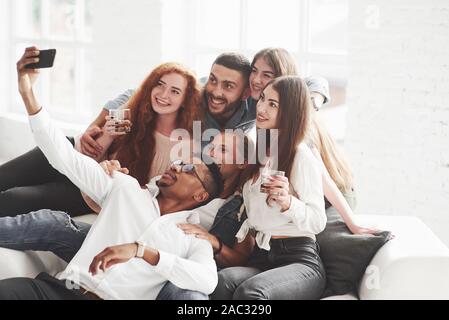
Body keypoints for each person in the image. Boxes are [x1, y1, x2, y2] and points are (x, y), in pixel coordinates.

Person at [0, 47, 226, 300]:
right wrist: (28, 93)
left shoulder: (192, 237)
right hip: (58, 291)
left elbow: (207, 280)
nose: (176, 165)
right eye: (160, 86)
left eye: (188, 168)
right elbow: (62, 155)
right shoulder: (126, 188)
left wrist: (141, 251)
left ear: (200, 195)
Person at [0, 61, 201, 217]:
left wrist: (113, 173)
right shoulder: (136, 110)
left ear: (186, 100)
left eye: (175, 91)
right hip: (74, 154)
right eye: (160, 85)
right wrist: (108, 134)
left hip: (89, 189)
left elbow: (151, 193)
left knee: (12, 199)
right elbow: (93, 150)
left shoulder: (183, 145)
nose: (163, 94)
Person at [211, 76, 327, 300]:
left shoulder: (299, 155)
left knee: (251, 292)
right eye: (262, 99)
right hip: (264, 257)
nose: (261, 108)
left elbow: (318, 221)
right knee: (222, 281)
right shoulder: (261, 155)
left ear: (290, 111)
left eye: (272, 104)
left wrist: (289, 203)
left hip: (298, 259)